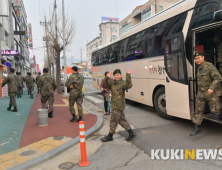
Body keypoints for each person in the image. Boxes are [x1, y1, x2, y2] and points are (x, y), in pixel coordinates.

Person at [190, 52, 222, 136]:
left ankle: (221, 115)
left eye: (198, 58)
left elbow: (218, 77)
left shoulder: (209, 66)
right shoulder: (199, 68)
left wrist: (211, 88)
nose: (197, 60)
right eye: (195, 59)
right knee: (198, 110)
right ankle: (197, 128)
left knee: (216, 110)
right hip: (201, 93)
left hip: (211, 93)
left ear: (203, 57)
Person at [101, 69, 136, 142]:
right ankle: (131, 133)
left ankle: (110, 136)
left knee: (113, 120)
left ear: (121, 75)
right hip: (114, 105)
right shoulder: (112, 83)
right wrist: (107, 77)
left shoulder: (122, 83)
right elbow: (105, 84)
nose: (116, 76)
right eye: (115, 75)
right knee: (121, 120)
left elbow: (129, 85)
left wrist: (128, 75)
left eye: (118, 75)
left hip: (119, 106)